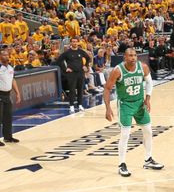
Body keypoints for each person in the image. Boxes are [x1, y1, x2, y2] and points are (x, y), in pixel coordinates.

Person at [103, 47, 165, 177]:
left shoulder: (142, 67)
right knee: (125, 134)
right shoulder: (117, 70)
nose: (133, 58)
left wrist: (147, 98)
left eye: (135, 55)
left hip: (139, 103)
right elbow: (107, 88)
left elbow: (149, 82)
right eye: (130, 56)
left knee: (148, 131)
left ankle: (148, 159)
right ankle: (122, 164)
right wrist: (108, 107)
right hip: (125, 105)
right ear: (124, 57)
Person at [57, 37, 92, 113]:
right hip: (71, 74)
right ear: (71, 43)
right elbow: (59, 60)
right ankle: (71, 106)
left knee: (80, 89)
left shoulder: (80, 51)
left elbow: (88, 58)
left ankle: (80, 105)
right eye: (73, 42)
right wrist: (65, 69)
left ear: (78, 43)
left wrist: (86, 65)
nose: (75, 43)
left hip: (80, 73)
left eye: (76, 42)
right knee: (72, 90)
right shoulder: (67, 52)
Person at [0, 48, 22, 146]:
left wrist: (17, 93)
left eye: (7, 55)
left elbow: (13, 80)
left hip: (7, 94)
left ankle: (8, 137)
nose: (7, 56)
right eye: (4, 55)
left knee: (8, 117)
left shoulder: (10, 67)